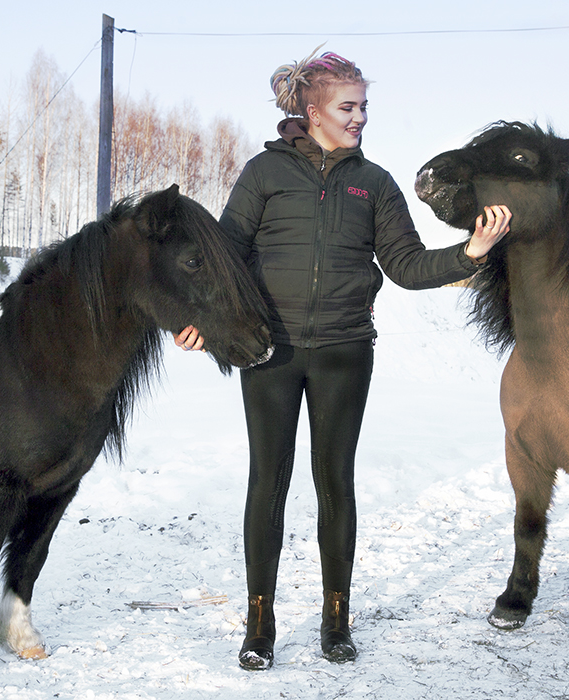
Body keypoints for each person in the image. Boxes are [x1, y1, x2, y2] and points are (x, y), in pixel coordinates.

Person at [174, 47, 510, 671]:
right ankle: (259, 620)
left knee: (336, 486)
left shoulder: (374, 183)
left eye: (363, 108)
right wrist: (199, 319)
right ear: (311, 109)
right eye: (348, 107)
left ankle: (336, 618)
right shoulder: (264, 175)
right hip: (269, 352)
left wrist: (472, 250)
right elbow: (224, 254)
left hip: (345, 353)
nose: (359, 119)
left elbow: (407, 267)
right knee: (266, 484)